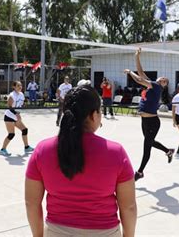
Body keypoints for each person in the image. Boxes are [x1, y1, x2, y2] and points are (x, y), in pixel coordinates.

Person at [25, 85, 136, 237]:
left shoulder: (42, 150)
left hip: (57, 232)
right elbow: (128, 206)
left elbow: (31, 203)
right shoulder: (116, 152)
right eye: (100, 111)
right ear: (93, 115)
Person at [124, 48, 174, 181]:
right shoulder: (152, 85)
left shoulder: (156, 87)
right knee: (150, 143)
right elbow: (141, 73)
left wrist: (130, 72)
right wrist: (137, 56)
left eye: (165, 80)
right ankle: (168, 151)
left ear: (163, 85)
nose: (163, 79)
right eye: (162, 78)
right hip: (145, 121)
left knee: (147, 147)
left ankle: (140, 172)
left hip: (152, 122)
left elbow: (139, 79)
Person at [0, 81, 34, 156]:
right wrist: (17, 114)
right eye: (18, 86)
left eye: (21, 85)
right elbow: (9, 107)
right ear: (14, 87)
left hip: (16, 116)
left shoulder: (21, 94)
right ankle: (3, 149)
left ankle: (26, 147)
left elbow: (20, 105)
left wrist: (23, 107)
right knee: (11, 134)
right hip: (9, 116)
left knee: (24, 130)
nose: (20, 87)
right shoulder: (12, 95)